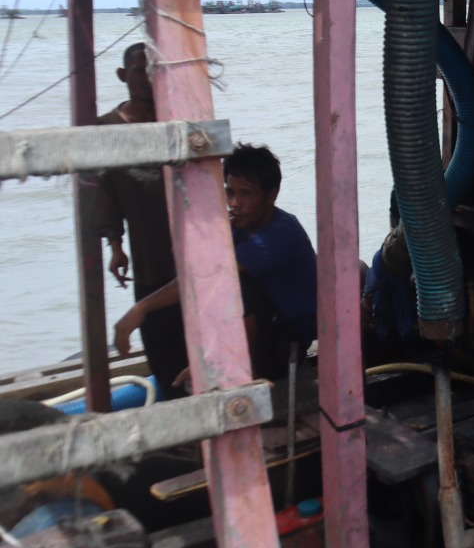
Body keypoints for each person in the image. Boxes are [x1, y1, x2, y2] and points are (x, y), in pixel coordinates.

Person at [113, 144, 318, 384]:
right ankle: (216, 363)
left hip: (287, 340)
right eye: (229, 192)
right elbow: (198, 272)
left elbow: (213, 274)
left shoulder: (280, 232)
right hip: (263, 328)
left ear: (271, 195)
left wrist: (141, 308)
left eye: (245, 193)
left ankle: (244, 375)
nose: (234, 203)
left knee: (232, 281)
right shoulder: (239, 227)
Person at [94, 43, 186, 398]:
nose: (148, 79)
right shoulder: (107, 127)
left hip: (190, 256)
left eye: (155, 71)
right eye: (138, 71)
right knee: (162, 349)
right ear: (123, 76)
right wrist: (115, 246)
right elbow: (104, 192)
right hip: (148, 256)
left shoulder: (176, 121)